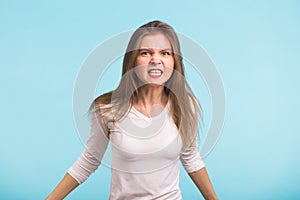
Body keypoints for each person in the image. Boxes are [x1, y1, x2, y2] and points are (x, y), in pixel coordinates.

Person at [47, 20, 218, 200]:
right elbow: (88, 161)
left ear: (174, 61)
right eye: (146, 53)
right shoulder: (107, 108)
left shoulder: (187, 106)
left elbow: (191, 159)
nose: (156, 60)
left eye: (165, 53)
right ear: (133, 61)